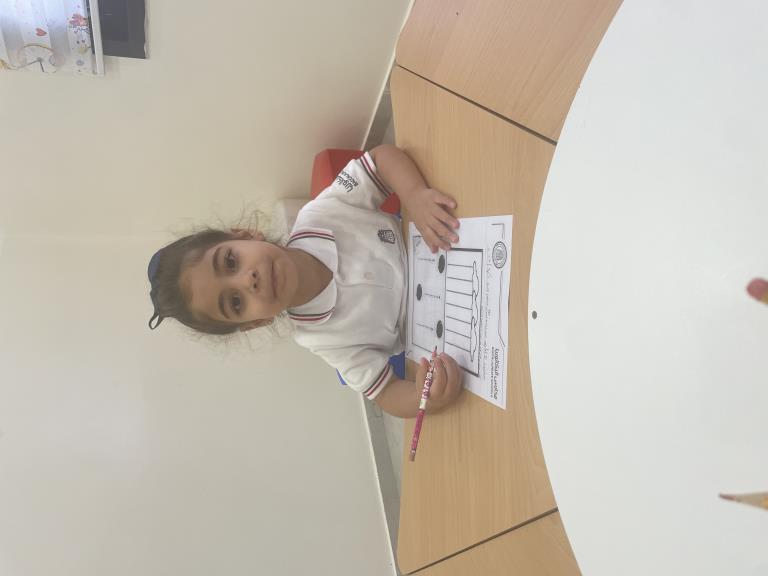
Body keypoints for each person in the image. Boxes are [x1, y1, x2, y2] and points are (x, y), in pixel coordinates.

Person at [147, 145, 463, 417]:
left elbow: (380, 160)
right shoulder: (322, 339)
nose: (247, 281)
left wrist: (414, 195)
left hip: (451, 236)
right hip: (456, 331)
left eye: (231, 261)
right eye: (236, 302)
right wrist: (423, 399)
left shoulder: (322, 213)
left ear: (244, 234)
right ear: (256, 322)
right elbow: (385, 392)